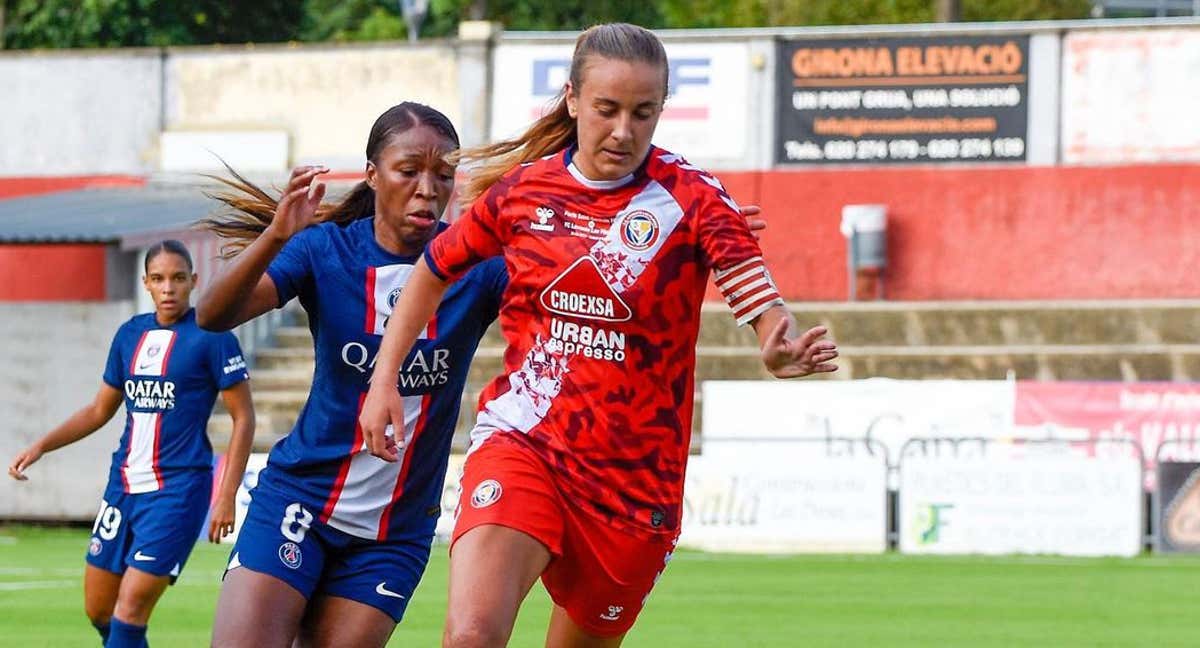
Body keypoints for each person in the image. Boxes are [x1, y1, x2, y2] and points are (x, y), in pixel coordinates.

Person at [197, 100, 769, 647]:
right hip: (301, 497)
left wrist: (682, 238)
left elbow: (574, 267)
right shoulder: (326, 250)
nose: (428, 189)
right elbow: (213, 316)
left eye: (443, 174)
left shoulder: (476, 267)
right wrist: (277, 234)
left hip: (397, 529)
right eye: (408, 171)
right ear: (372, 175)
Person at [358, 23, 839, 648]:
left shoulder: (694, 199)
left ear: (662, 109)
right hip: (524, 440)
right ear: (572, 100)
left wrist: (777, 338)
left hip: (635, 484)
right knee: (471, 635)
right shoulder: (524, 192)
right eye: (607, 109)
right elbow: (433, 269)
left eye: (643, 113)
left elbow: (754, 287)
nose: (623, 130)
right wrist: (385, 378)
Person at [7, 240, 255, 648]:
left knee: (130, 610)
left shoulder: (212, 336)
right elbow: (98, 410)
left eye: (178, 278)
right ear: (146, 283)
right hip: (122, 488)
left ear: (194, 281)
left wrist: (225, 495)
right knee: (100, 610)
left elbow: (244, 418)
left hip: (177, 492)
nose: (168, 288)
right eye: (158, 279)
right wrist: (41, 446)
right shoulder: (130, 334)